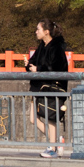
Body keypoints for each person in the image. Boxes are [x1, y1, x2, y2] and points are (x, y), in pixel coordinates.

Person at [27, 19, 68, 158]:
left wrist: (38, 69)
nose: (36, 32)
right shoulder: (42, 46)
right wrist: (29, 66)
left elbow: (57, 67)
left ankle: (52, 147)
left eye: (38, 29)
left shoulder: (57, 47)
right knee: (33, 118)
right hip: (38, 86)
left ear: (46, 31)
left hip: (52, 87)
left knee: (51, 117)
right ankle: (57, 140)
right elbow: (32, 62)